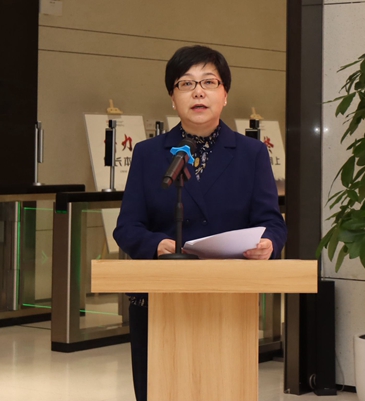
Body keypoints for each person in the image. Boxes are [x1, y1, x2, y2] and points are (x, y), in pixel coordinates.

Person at [113, 45, 287, 401]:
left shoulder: (251, 153)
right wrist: (157, 245)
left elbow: (272, 222)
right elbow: (127, 227)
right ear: (172, 97)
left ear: (225, 94)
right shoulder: (148, 154)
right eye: (186, 83)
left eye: (209, 82)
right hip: (160, 297)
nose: (198, 92)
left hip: (228, 299)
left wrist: (268, 243)